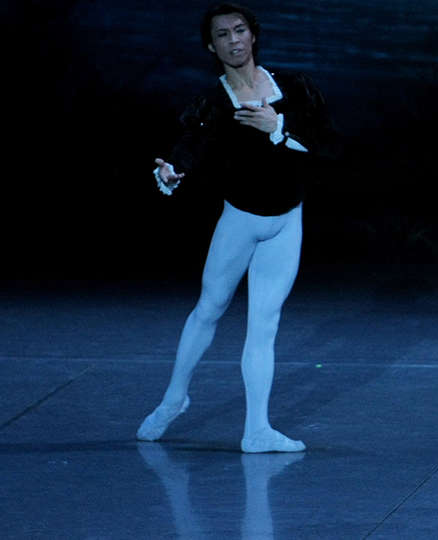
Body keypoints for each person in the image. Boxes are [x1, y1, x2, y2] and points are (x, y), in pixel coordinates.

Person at [138, 3, 341, 453]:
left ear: (253, 34)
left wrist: (278, 126)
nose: (234, 40)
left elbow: (330, 144)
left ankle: (256, 430)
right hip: (241, 222)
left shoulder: (294, 88)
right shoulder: (214, 103)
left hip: (287, 222)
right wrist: (172, 170)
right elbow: (191, 143)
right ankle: (174, 398)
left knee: (264, 324)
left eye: (240, 30)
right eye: (223, 35)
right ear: (212, 47)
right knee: (209, 309)